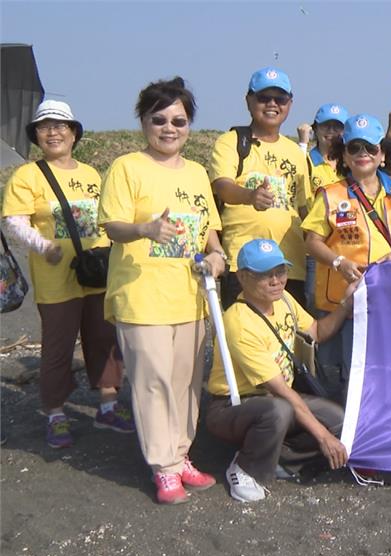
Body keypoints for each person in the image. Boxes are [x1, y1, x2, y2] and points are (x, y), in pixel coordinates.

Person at [98, 77, 226, 504]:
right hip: (141, 295)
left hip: (190, 296)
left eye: (179, 120)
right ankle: (163, 467)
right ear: (143, 121)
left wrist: (217, 255)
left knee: (186, 382)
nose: (169, 128)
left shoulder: (196, 172)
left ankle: (181, 454)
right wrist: (145, 229)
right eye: (159, 119)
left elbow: (209, 230)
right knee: (152, 381)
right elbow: (112, 227)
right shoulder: (126, 167)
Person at [2, 100, 130, 448]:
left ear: (74, 134)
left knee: (104, 339)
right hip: (55, 279)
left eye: (61, 125)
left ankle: (108, 405)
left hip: (95, 274)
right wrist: (43, 246)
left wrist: (107, 254)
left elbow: (105, 218)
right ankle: (56, 414)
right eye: (45, 127)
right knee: (57, 347)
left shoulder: (91, 174)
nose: (53, 132)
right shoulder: (28, 175)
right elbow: (14, 222)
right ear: (37, 136)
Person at [205, 239, 352, 502]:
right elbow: (281, 391)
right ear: (243, 277)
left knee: (339, 420)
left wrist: (346, 304)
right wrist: (323, 438)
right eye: (265, 275)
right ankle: (245, 468)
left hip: (273, 398)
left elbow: (317, 332)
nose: (276, 280)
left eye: (280, 271)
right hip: (232, 405)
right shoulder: (239, 321)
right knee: (281, 411)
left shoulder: (284, 299)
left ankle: (278, 459)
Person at [302, 113, 391, 397]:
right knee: (340, 378)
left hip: (389, 301)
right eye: (354, 148)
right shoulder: (330, 194)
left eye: (370, 147)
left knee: (386, 374)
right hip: (341, 305)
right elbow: (312, 241)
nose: (363, 154)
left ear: (382, 153)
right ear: (343, 154)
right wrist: (338, 262)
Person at [210, 66, 311, 308]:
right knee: (243, 338)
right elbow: (222, 185)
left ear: (290, 103)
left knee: (289, 339)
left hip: (290, 266)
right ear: (249, 101)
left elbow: (305, 207)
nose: (272, 104)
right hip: (244, 265)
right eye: (264, 97)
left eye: (280, 98)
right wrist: (249, 195)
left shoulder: (296, 153)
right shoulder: (231, 142)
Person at [297, 103, 348, 306]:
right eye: (326, 126)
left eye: (338, 127)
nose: (332, 132)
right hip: (315, 249)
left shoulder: (351, 164)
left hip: (346, 247)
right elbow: (295, 179)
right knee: (315, 303)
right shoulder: (308, 161)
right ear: (315, 129)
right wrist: (302, 143)